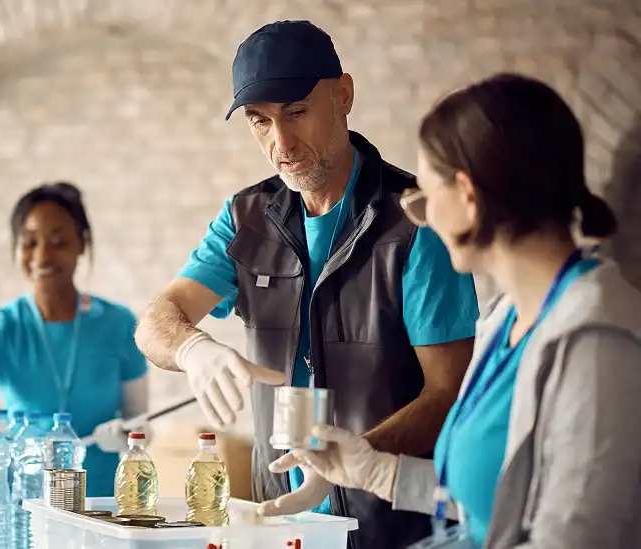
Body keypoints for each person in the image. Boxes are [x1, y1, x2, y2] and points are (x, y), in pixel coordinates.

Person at [135, 20, 479, 549]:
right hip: (280, 528)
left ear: (343, 96)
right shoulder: (246, 218)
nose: (281, 143)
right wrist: (192, 349)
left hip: (391, 531)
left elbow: (449, 391)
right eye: (260, 121)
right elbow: (157, 321)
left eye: (296, 112)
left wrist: (353, 459)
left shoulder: (415, 220)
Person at [272, 74, 641, 549]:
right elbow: (492, 504)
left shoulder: (597, 345)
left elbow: (575, 539)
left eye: (425, 196)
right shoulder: (506, 320)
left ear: (467, 197)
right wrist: (375, 471)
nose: (421, 217)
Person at [0, 181, 150, 497]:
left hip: (100, 506)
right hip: (24, 504)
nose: (42, 256)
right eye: (29, 242)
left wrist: (131, 435)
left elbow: (141, 420)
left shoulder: (119, 324)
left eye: (58, 241)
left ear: (82, 244)